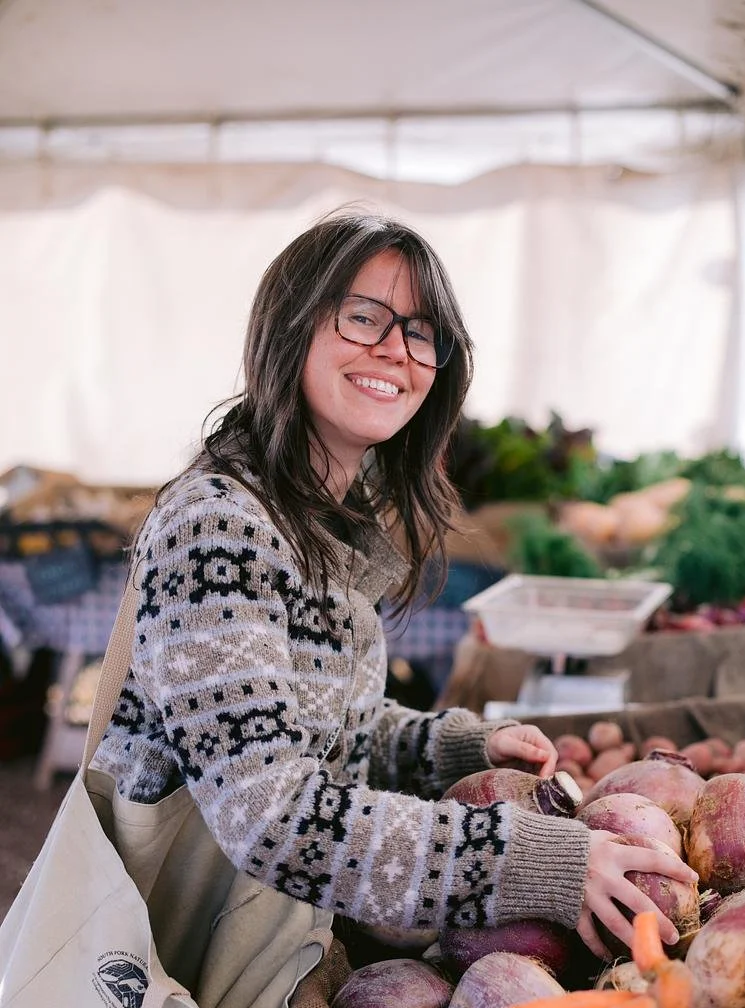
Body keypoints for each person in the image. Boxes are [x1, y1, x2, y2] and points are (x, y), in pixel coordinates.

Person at [93, 208, 696, 968]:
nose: (396, 351)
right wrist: (534, 862)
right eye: (365, 316)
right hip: (177, 972)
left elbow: (325, 730)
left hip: (280, 941)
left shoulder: (325, 518)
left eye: (421, 331)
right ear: (291, 326)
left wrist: (450, 746)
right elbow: (269, 814)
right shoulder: (218, 528)